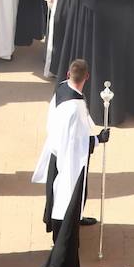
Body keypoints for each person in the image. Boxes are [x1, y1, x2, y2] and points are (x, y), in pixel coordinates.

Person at [31, 58, 109, 236]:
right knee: (65, 195)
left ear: (68, 74)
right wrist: (97, 139)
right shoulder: (75, 107)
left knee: (64, 193)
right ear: (87, 76)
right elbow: (74, 144)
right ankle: (62, 234)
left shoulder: (62, 87)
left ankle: (76, 217)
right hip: (67, 159)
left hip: (57, 148)